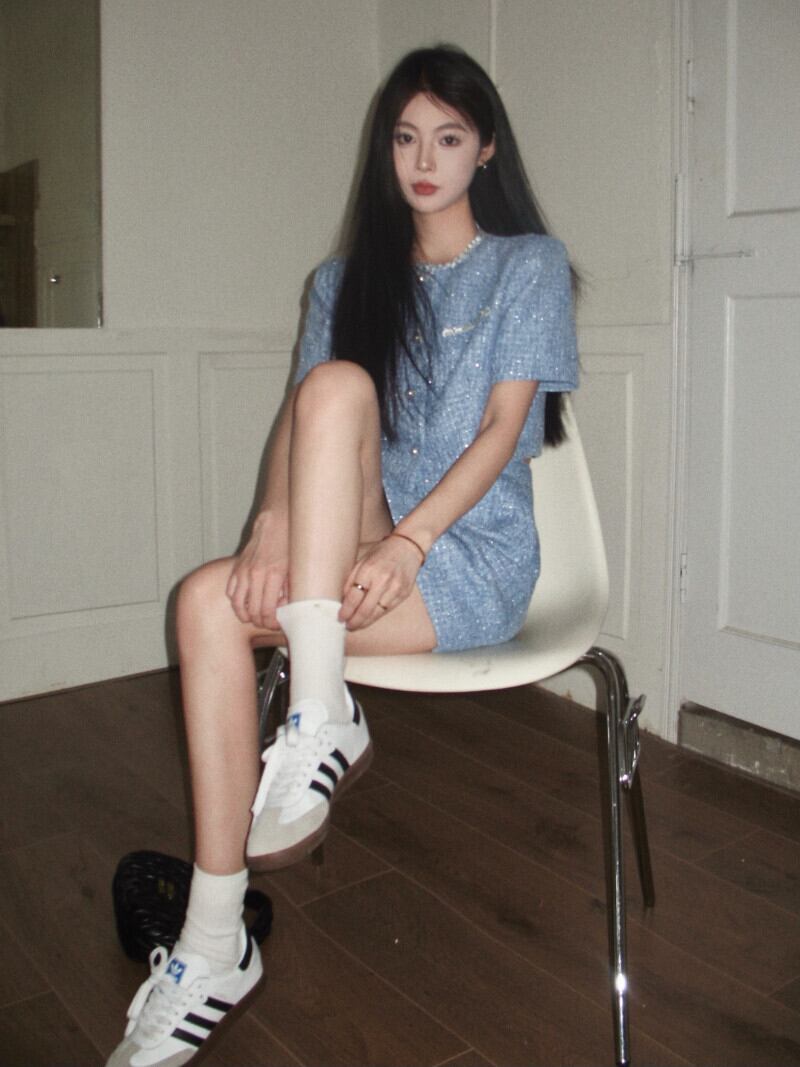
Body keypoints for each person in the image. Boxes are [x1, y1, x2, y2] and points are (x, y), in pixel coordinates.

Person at [107, 44, 578, 1067]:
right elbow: (306, 420)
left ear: (485, 149)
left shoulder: (526, 266)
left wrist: (410, 540)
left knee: (328, 403)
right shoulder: (343, 280)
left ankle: (319, 711)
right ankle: (215, 938)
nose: (424, 160)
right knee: (206, 594)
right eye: (405, 137)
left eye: (448, 137)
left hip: (464, 555)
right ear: (384, 149)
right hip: (351, 543)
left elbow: (501, 429)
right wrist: (267, 523)